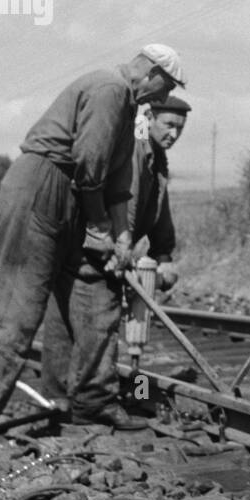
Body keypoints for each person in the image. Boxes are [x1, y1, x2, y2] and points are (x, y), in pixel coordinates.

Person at [0, 45, 185, 445]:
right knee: (19, 304)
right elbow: (88, 163)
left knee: (98, 288)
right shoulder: (109, 89)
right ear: (150, 73)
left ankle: (93, 401)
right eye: (164, 88)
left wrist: (122, 238)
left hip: (75, 198)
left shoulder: (129, 109)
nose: (163, 99)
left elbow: (116, 186)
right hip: (42, 188)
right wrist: (99, 226)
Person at [39, 95, 191, 427]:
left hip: (108, 244)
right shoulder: (135, 151)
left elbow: (158, 211)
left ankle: (68, 399)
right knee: (90, 318)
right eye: (169, 125)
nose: (174, 134)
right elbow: (127, 204)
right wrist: (122, 254)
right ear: (149, 118)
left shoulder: (157, 159)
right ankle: (83, 403)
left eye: (180, 128)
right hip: (90, 242)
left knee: (78, 319)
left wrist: (164, 255)